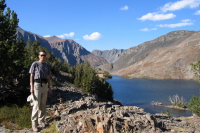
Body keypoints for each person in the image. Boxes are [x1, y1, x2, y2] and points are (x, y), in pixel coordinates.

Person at [29, 51, 52, 132]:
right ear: (39, 56)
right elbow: (31, 75)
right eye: (42, 55)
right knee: (36, 105)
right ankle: (34, 125)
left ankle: (41, 121)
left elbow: (48, 76)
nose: (43, 56)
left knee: (43, 104)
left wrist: (49, 87)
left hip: (45, 85)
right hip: (37, 85)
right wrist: (31, 87)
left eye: (44, 55)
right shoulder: (35, 64)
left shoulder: (47, 65)